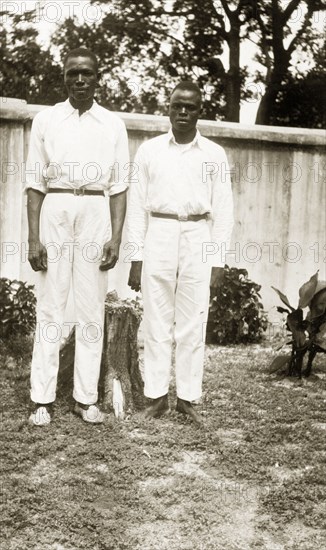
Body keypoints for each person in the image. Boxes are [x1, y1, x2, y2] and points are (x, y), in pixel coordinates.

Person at [26, 48, 129, 426]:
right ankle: (42, 397)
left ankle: (85, 399)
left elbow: (119, 187)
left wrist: (116, 237)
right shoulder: (46, 120)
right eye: (73, 74)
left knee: (90, 308)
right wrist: (33, 238)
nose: (80, 80)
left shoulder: (112, 124)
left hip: (95, 212)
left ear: (98, 77)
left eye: (87, 73)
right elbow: (35, 183)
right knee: (51, 305)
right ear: (64, 77)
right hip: (56, 208)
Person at [127, 81, 233, 425]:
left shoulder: (214, 154)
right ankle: (156, 396)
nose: (183, 113)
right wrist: (135, 254)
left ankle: (187, 397)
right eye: (177, 107)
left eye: (190, 108)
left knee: (192, 321)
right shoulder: (149, 151)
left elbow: (224, 210)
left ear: (200, 111)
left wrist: (217, 259)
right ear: (168, 109)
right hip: (159, 230)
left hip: (198, 234)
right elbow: (135, 206)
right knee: (157, 319)